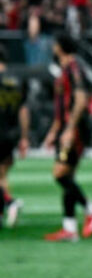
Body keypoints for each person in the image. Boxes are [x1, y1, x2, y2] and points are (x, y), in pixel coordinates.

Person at [43, 33, 92, 242]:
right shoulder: (65, 70)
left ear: (60, 46)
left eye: (55, 44)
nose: (52, 47)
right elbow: (62, 105)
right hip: (66, 127)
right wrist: (54, 130)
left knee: (59, 174)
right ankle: (70, 228)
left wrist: (69, 129)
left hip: (74, 129)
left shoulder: (74, 68)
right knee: (68, 176)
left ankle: (90, 209)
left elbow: (81, 99)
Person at [0, 45, 31, 229]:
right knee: (2, 174)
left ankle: (10, 202)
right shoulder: (17, 80)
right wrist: (24, 137)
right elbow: (24, 110)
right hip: (11, 133)